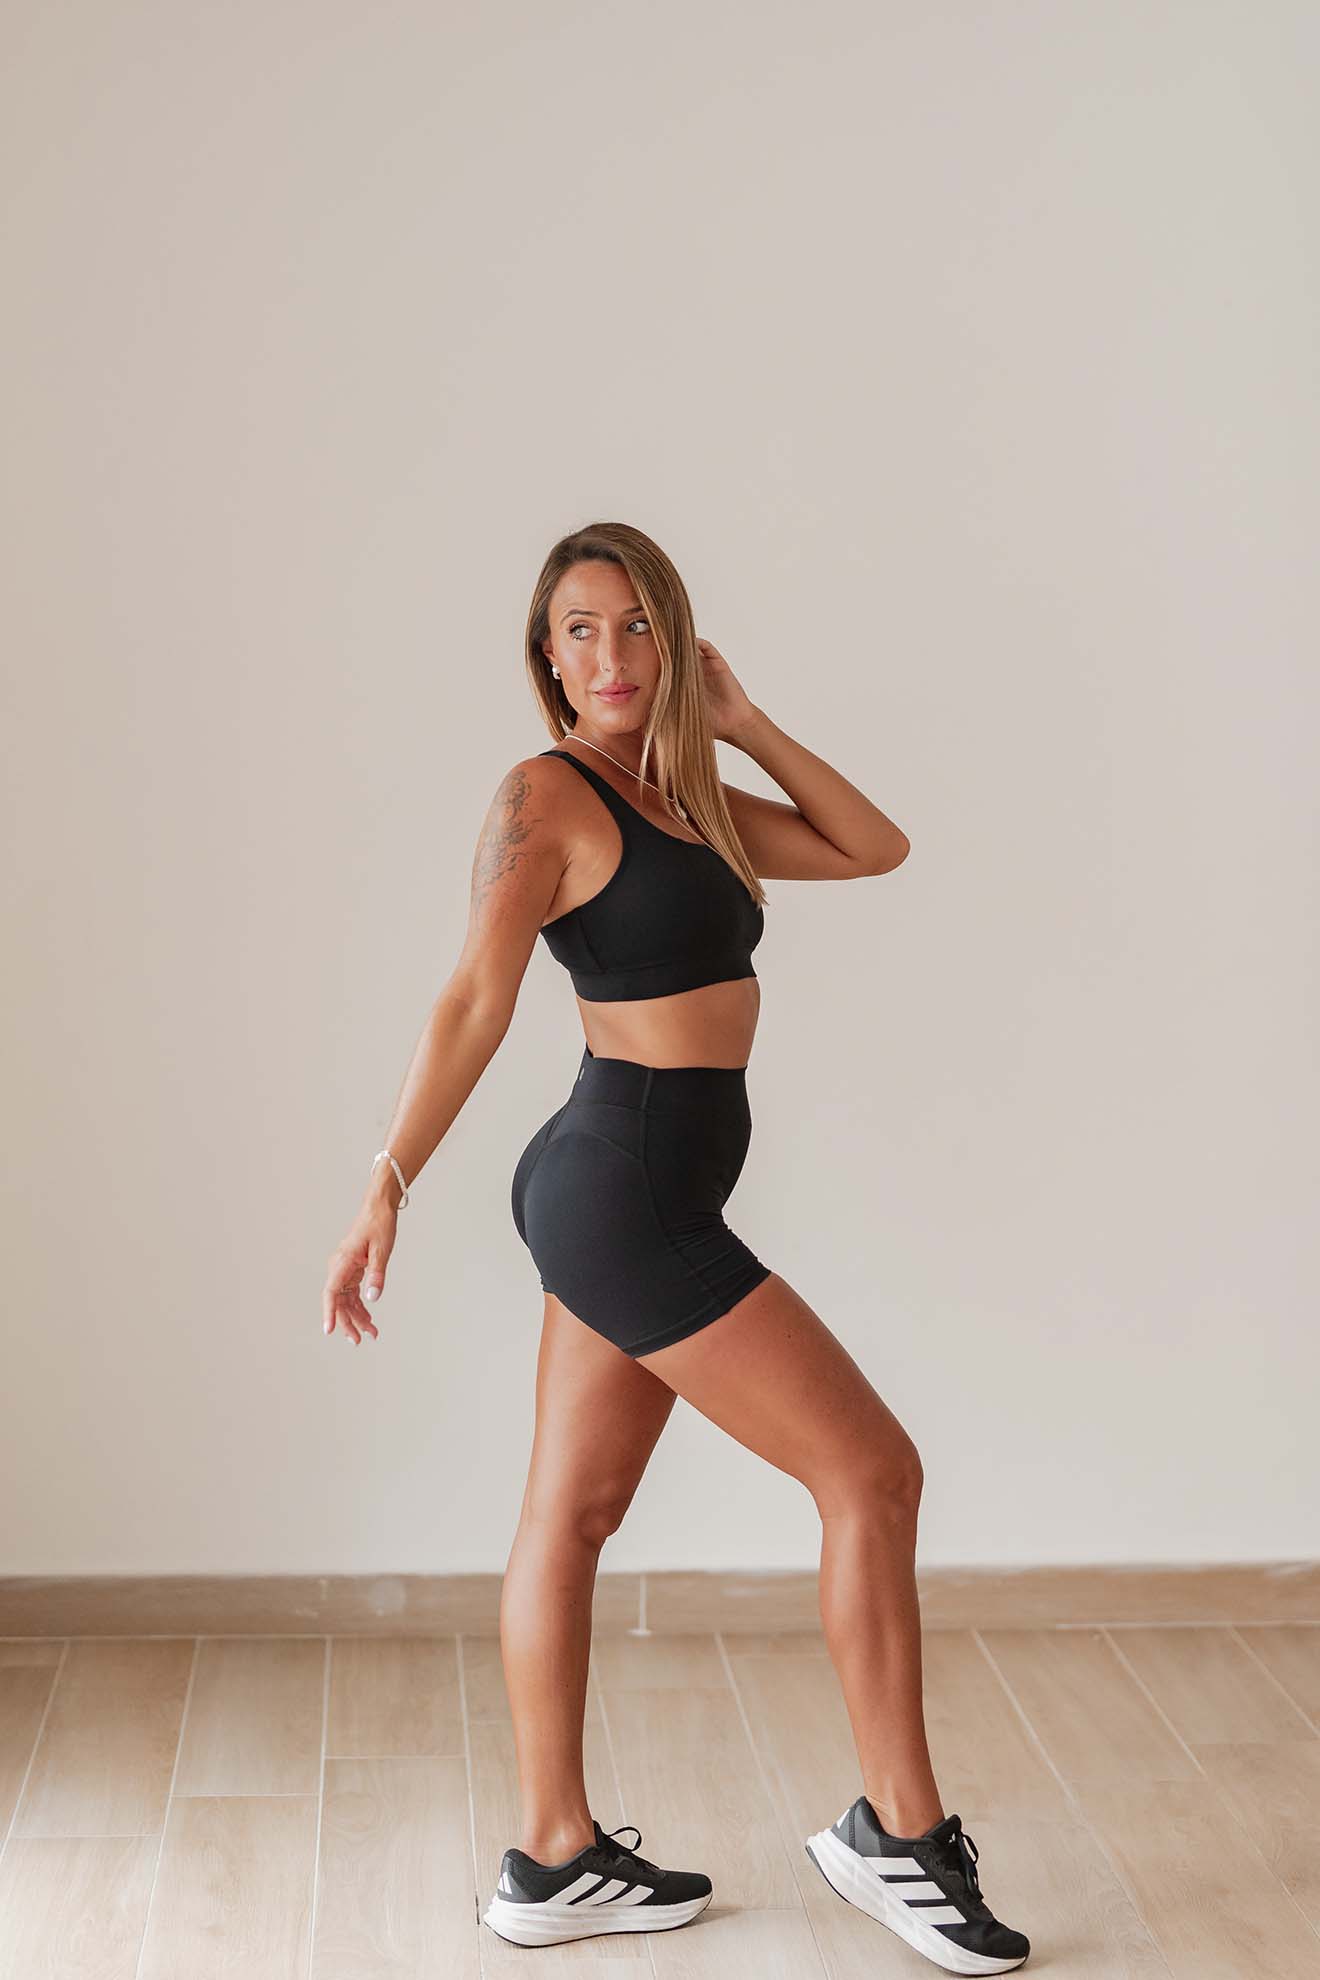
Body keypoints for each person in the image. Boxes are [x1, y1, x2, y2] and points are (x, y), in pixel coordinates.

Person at [320, 522, 1030, 1972]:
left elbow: (872, 846)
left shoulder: (688, 796)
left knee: (570, 1517)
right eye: (580, 631)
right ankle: (900, 1836)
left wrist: (744, 720)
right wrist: (388, 1177)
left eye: (639, 624)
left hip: (641, 1190)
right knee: (873, 1473)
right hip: (622, 1190)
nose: (612, 655)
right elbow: (474, 997)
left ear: (679, 638)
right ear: (546, 658)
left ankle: (553, 1857)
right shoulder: (548, 796)